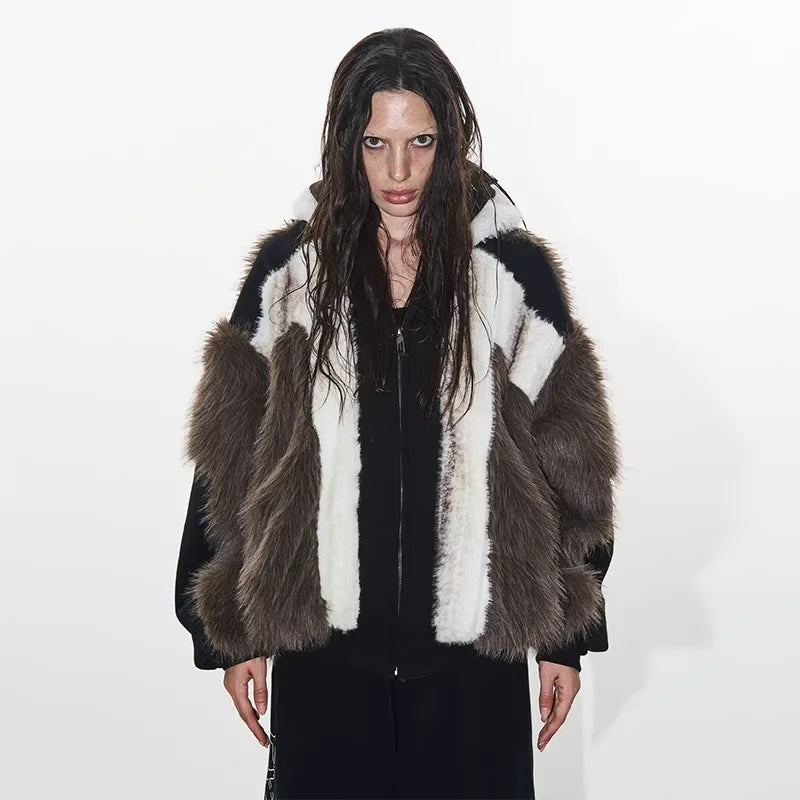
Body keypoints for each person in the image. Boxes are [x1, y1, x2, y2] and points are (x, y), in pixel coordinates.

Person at [174, 27, 619, 800]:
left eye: (421, 141)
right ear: (348, 143)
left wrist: (568, 640)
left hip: (473, 668)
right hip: (324, 655)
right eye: (376, 143)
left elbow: (574, 467)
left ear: (450, 139)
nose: (399, 170)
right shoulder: (291, 274)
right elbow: (231, 456)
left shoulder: (511, 276)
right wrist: (228, 636)